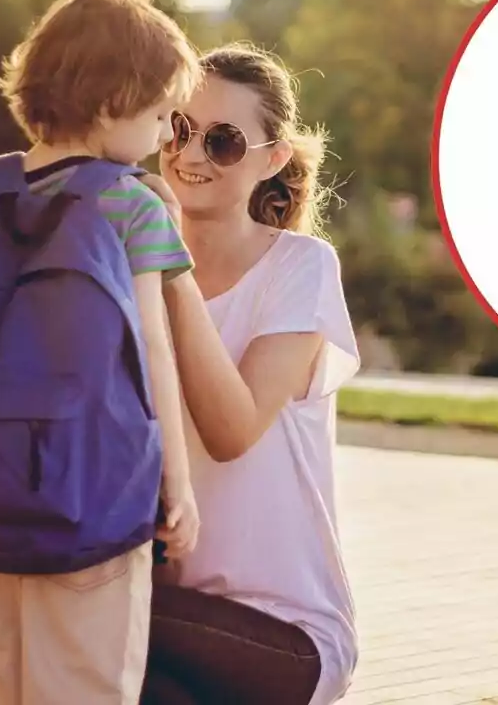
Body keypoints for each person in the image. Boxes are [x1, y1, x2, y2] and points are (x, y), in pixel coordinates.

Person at [0, 0, 202, 705]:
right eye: (159, 115)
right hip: (97, 486)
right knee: (86, 677)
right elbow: (154, 350)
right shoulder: (132, 203)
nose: (161, 136)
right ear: (114, 99)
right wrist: (175, 485)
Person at [138, 43, 361, 705]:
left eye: (224, 141)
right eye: (178, 127)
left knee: (89, 610)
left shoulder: (301, 269)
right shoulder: (132, 266)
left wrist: (168, 268)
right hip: (173, 612)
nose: (190, 155)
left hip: (285, 637)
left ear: (273, 159)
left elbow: (231, 429)